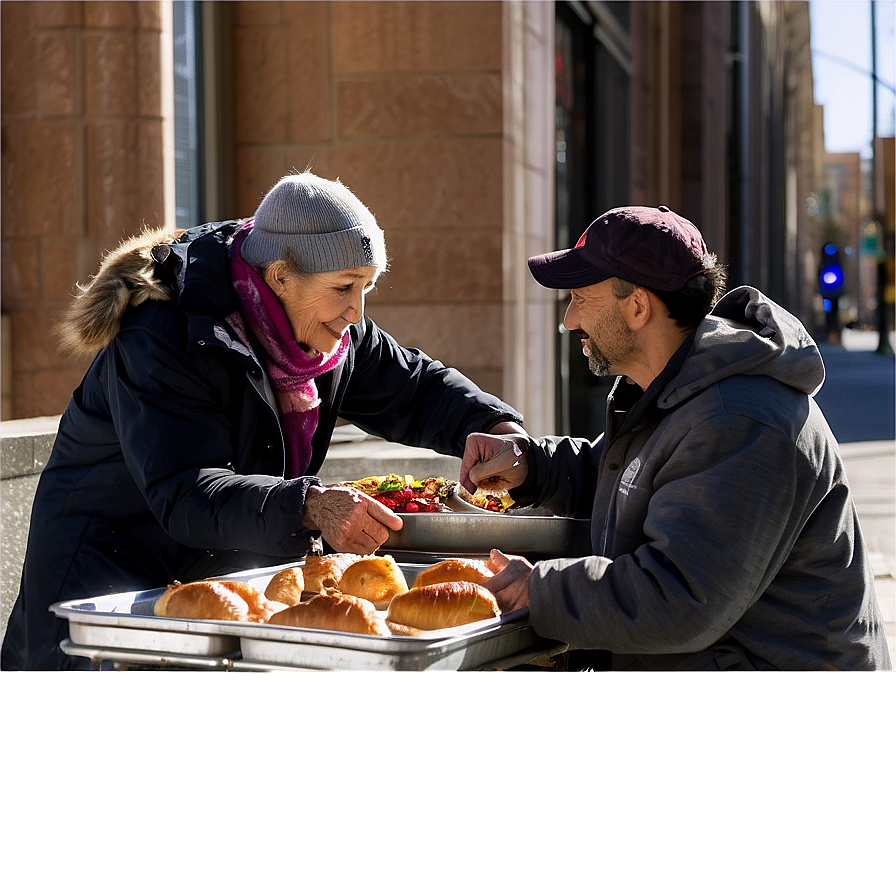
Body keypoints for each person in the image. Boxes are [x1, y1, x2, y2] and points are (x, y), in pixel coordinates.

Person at [2, 172, 525, 671]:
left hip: (208, 581)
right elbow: (186, 489)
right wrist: (311, 505)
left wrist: (494, 427)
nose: (357, 312)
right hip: (102, 580)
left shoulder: (328, 329)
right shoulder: (166, 333)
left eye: (366, 286)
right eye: (345, 287)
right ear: (279, 275)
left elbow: (413, 387)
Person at [461, 205, 892, 671]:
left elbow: (681, 600)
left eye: (581, 299)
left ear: (638, 306)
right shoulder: (680, 389)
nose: (569, 320)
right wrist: (530, 463)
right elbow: (626, 475)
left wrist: (537, 589)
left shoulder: (739, 420)